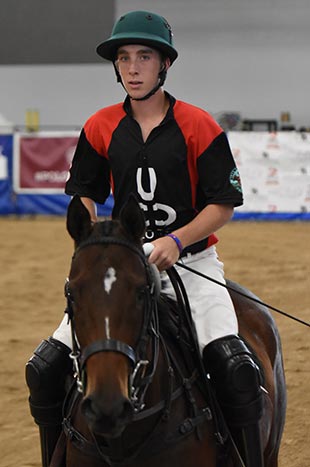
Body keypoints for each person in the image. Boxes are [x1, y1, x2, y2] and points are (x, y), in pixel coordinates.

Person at [26, 10, 263, 467]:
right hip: (122, 265)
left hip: (192, 265)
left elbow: (223, 204)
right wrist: (96, 241)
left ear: (164, 65)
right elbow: (84, 195)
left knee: (235, 369)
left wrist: (176, 241)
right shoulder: (99, 125)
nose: (133, 68)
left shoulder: (199, 125)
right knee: (46, 369)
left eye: (144, 57)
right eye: (124, 58)